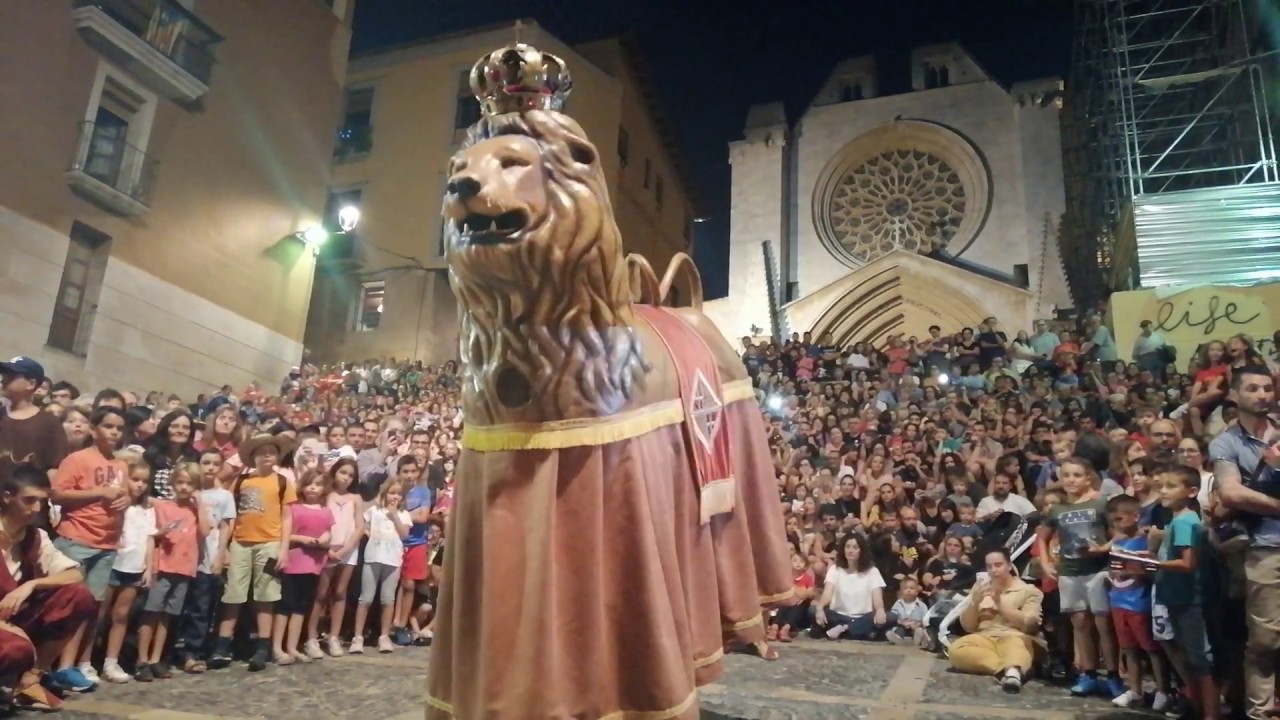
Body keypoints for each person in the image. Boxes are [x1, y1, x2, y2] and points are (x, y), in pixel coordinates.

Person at [1211, 364, 1279, 720]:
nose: (1263, 394)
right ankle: (1259, 713)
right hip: (1265, 546)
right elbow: (1232, 493)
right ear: (1235, 396)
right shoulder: (1226, 442)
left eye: (1267, 388)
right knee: (1265, 639)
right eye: (1253, 388)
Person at [0, 465, 96, 712]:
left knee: (79, 596)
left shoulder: (36, 537)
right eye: (29, 500)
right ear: (7, 497)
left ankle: (30, 678)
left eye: (41, 502)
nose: (35, 509)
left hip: (16, 617)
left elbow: (75, 573)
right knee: (16, 647)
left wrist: (32, 584)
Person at [47, 406, 129, 693]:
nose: (114, 432)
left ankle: (68, 667)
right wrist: (98, 492)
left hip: (106, 544)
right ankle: (45, 665)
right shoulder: (77, 459)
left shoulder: (121, 465)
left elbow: (121, 495)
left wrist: (125, 501)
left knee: (88, 608)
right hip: (77, 539)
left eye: (119, 428)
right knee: (65, 604)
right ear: (94, 429)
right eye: (109, 426)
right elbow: (57, 494)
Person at [209, 433, 298, 672]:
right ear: (253, 457)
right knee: (233, 594)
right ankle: (222, 645)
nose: (267, 455)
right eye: (261, 452)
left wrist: (284, 548)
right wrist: (225, 548)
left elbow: (287, 517)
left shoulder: (283, 483)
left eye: (271, 452)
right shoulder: (241, 481)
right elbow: (230, 514)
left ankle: (262, 647)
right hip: (240, 542)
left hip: (269, 543)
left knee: (265, 595)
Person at [1037, 456, 1123, 698]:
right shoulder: (1058, 509)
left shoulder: (1101, 504)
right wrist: (1045, 563)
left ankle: (1113, 674)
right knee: (1080, 623)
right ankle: (1089, 673)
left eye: (1076, 475)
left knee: (1103, 624)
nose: (1071, 480)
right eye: (1066, 475)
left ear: (1088, 478)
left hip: (1098, 570)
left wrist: (1103, 549)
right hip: (1069, 571)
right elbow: (1042, 536)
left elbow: (1119, 533)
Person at [1143, 464, 1220, 720]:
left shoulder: (1185, 521)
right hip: (1176, 597)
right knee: (1189, 656)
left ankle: (1210, 714)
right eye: (1161, 486)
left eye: (1171, 486)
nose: (1164, 491)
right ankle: (1197, 708)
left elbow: (1188, 563)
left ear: (1192, 491)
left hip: (1188, 598)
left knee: (1200, 659)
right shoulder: (1176, 520)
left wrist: (1154, 564)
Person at [135, 463, 206, 681]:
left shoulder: (195, 511)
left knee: (168, 616)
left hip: (184, 568)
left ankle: (156, 658)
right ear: (173, 483)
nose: (184, 487)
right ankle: (142, 659)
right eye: (180, 482)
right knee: (152, 612)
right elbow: (150, 526)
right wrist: (161, 532)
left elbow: (205, 531)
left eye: (189, 484)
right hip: (163, 565)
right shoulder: (162, 505)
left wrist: (201, 504)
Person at [1103, 494, 1170, 710]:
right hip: (1118, 600)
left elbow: (1151, 571)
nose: (1116, 525)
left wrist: (1133, 570)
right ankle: (1135, 690)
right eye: (1113, 521)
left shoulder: (1145, 542)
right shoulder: (1117, 543)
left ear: (1136, 517)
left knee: (1151, 648)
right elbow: (1113, 569)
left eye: (1120, 519)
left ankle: (1162, 690)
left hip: (1139, 601)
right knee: (1128, 648)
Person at [948, 547, 1043, 693]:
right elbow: (968, 627)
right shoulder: (981, 588)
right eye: (989, 566)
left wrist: (1000, 605)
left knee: (1017, 644)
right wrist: (975, 603)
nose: (993, 570)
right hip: (985, 637)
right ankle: (1010, 668)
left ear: (1009, 566)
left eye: (998, 565)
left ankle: (1013, 672)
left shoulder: (1028, 590)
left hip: (1014, 636)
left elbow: (1030, 624)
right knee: (956, 650)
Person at [100, 460, 156, 684]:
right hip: (113, 563)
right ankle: (84, 661)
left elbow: (150, 539)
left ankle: (111, 662)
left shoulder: (147, 509)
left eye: (145, 481)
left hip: (134, 567)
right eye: (135, 479)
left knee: (121, 615)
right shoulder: (117, 504)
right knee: (99, 613)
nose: (140, 485)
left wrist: (149, 568)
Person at [353, 479, 409, 654]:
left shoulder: (404, 514)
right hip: (373, 557)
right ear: (385, 493)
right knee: (366, 598)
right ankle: (358, 636)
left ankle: (384, 636)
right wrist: (368, 533)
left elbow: (404, 534)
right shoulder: (374, 510)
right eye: (392, 493)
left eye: (399, 494)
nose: (395, 497)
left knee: (388, 599)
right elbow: (363, 525)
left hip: (393, 560)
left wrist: (394, 516)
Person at [811, 534, 894, 640]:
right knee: (812, 611)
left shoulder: (872, 571)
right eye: (848, 547)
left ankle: (844, 629)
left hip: (864, 616)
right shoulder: (835, 569)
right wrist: (820, 608)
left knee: (891, 617)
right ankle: (860, 631)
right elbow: (827, 594)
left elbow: (877, 597)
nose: (850, 550)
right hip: (838, 616)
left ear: (861, 550)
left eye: (855, 547)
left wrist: (880, 610)